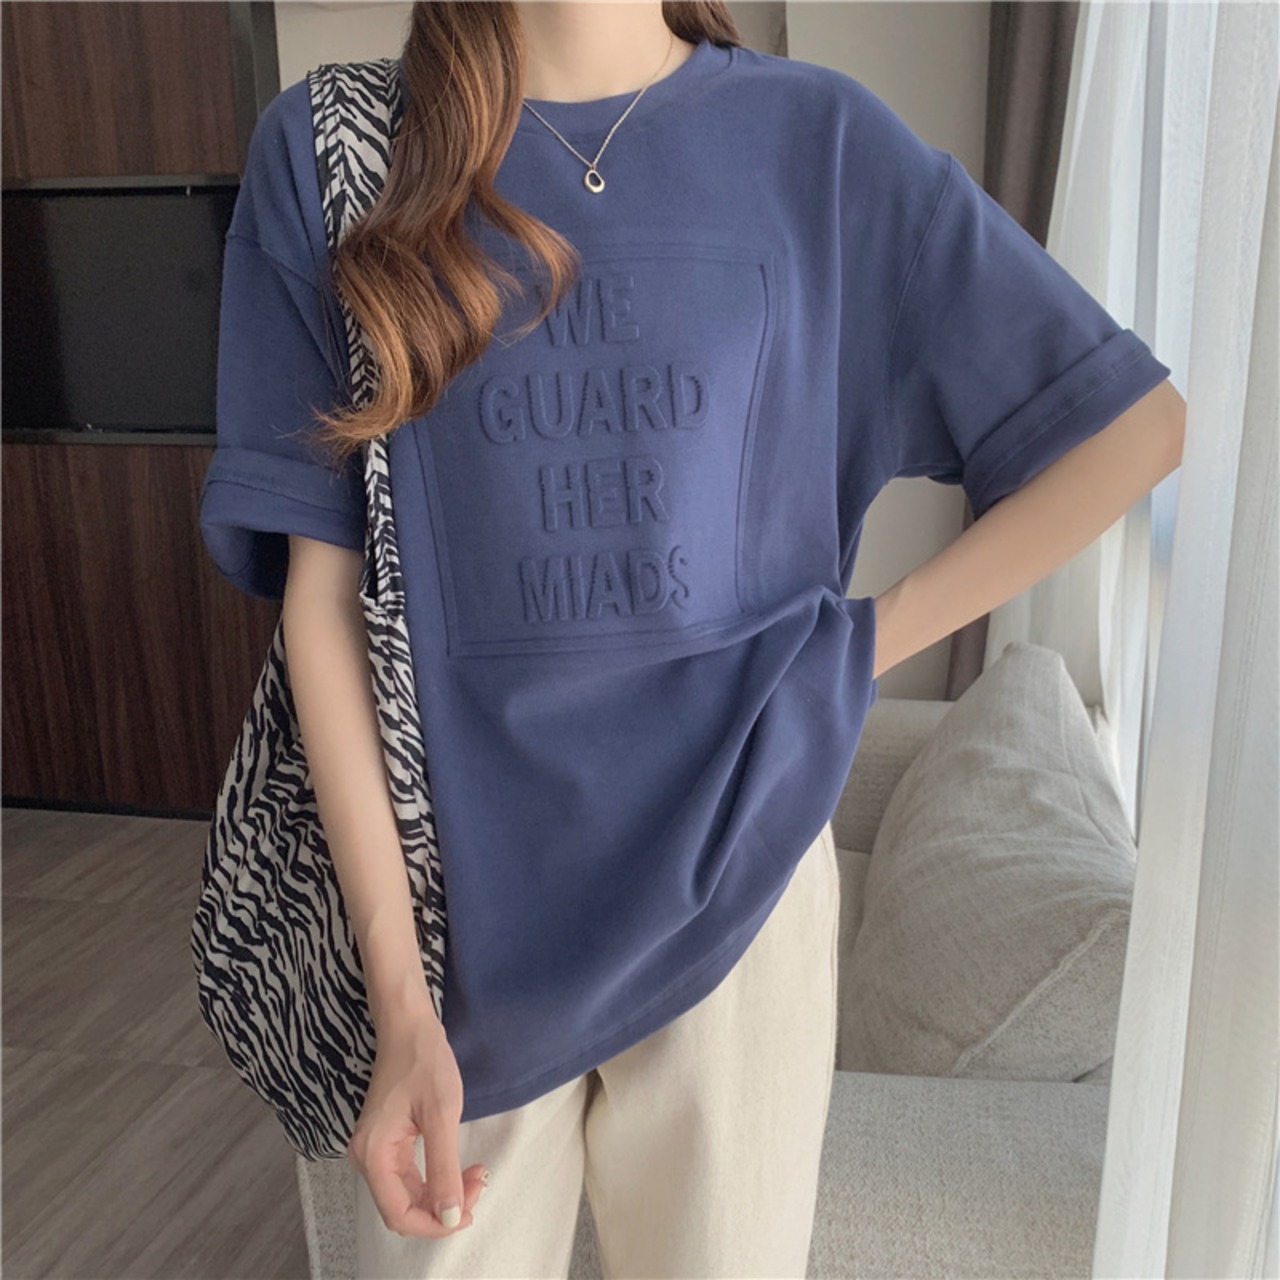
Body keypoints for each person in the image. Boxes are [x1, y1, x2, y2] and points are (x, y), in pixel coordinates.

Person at [198, 1, 1183, 1276]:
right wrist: (396, 1000)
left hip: (741, 893)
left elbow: (1129, 427)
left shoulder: (819, 145)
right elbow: (321, 599)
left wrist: (856, 646)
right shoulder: (333, 154)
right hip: (451, 935)